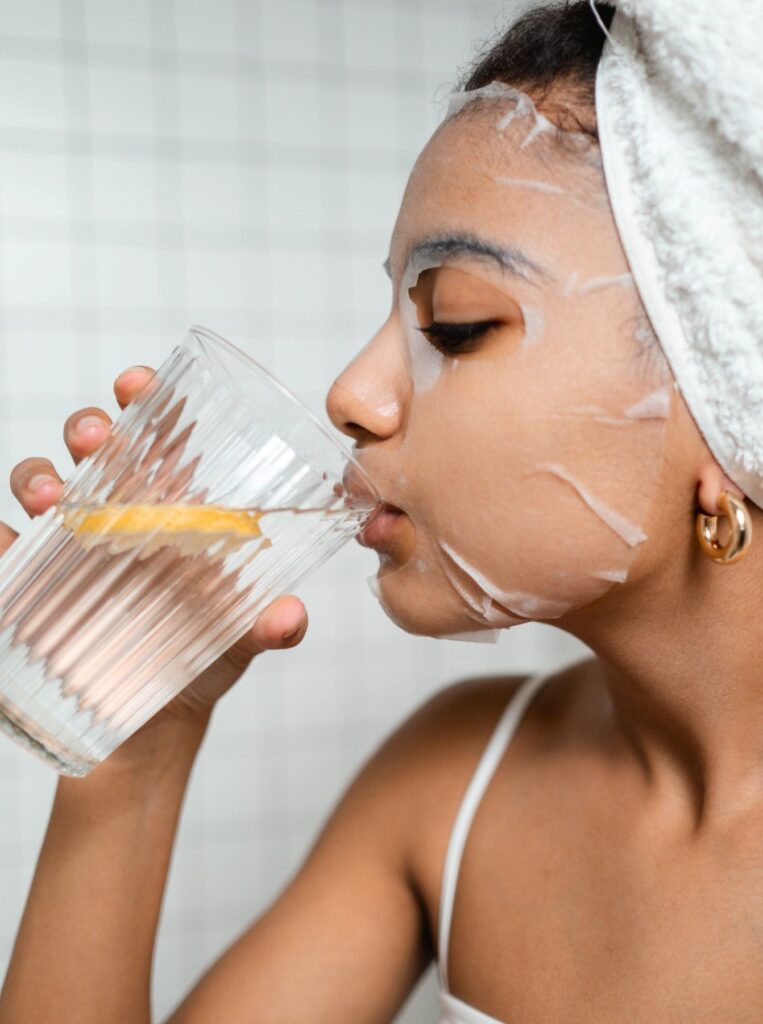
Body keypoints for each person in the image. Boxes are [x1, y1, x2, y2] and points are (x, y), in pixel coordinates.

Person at [1, 2, 761, 1021]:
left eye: (454, 323)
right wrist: (133, 742)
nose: (351, 394)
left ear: (728, 410)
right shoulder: (448, 782)